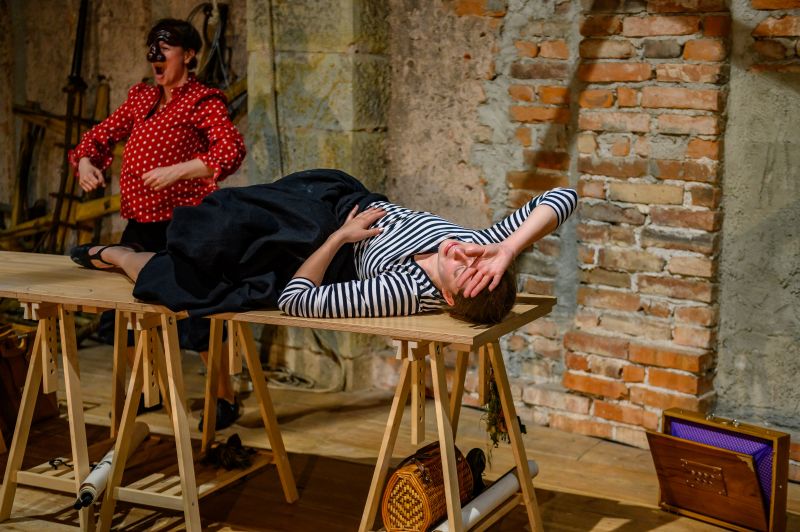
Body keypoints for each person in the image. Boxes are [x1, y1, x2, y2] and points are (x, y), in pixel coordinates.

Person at [71, 169, 577, 423]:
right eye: (476, 259)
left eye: (464, 270)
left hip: (314, 244)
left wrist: (340, 238)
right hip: (332, 197)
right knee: (220, 226)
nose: (463, 254)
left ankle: (118, 254)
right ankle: (141, 250)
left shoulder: (404, 290)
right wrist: (507, 249)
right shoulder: (482, 246)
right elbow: (565, 195)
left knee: (188, 274)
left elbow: (297, 299)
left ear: (448, 299)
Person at [69, 18, 246, 425]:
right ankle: (150, 390)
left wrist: (179, 170)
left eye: (165, 47)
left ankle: (223, 397)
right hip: (141, 224)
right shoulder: (142, 97)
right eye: (153, 47)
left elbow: (230, 149)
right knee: (126, 311)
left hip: (186, 225)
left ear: (189, 54)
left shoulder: (202, 100)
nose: (156, 55)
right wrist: (86, 162)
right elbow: (98, 136)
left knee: (200, 315)